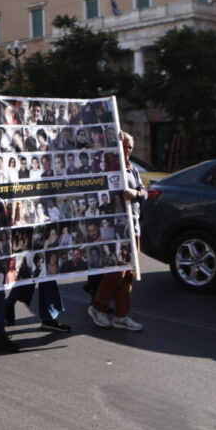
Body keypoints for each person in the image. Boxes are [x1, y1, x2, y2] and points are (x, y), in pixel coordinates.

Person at [88, 131, 145, 332]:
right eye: (124, 146)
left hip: (134, 227)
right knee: (117, 270)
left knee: (129, 273)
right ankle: (98, 307)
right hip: (116, 228)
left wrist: (136, 193)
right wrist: (113, 141)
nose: (127, 150)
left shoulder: (133, 169)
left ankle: (121, 315)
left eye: (130, 147)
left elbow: (144, 192)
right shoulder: (110, 167)